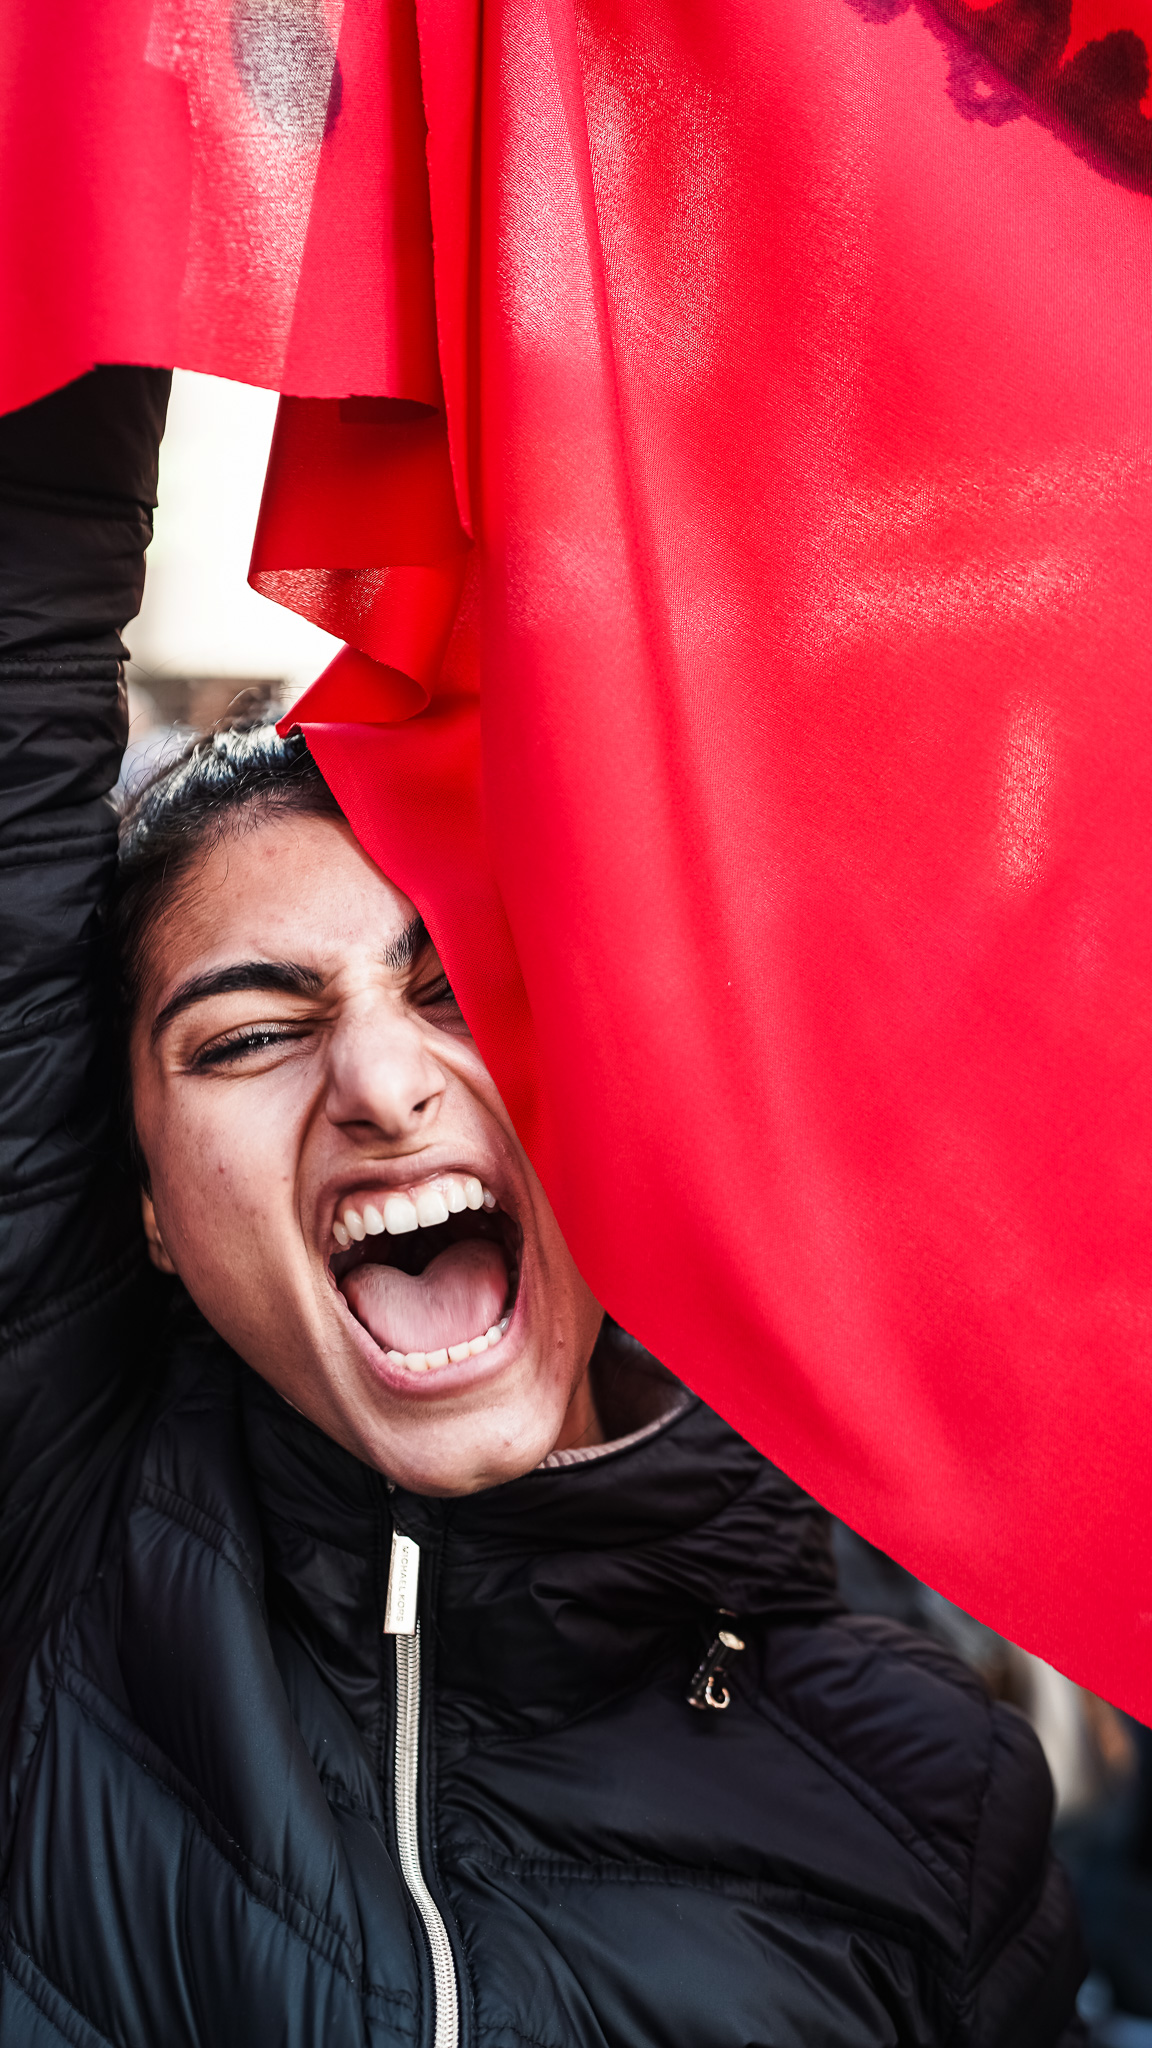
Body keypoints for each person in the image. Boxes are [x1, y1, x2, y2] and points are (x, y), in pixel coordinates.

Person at [0, 365, 1088, 2048]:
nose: (379, 1078)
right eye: (253, 1033)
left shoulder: (924, 1787)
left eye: (464, 991)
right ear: (139, 1202)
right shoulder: (51, 1570)